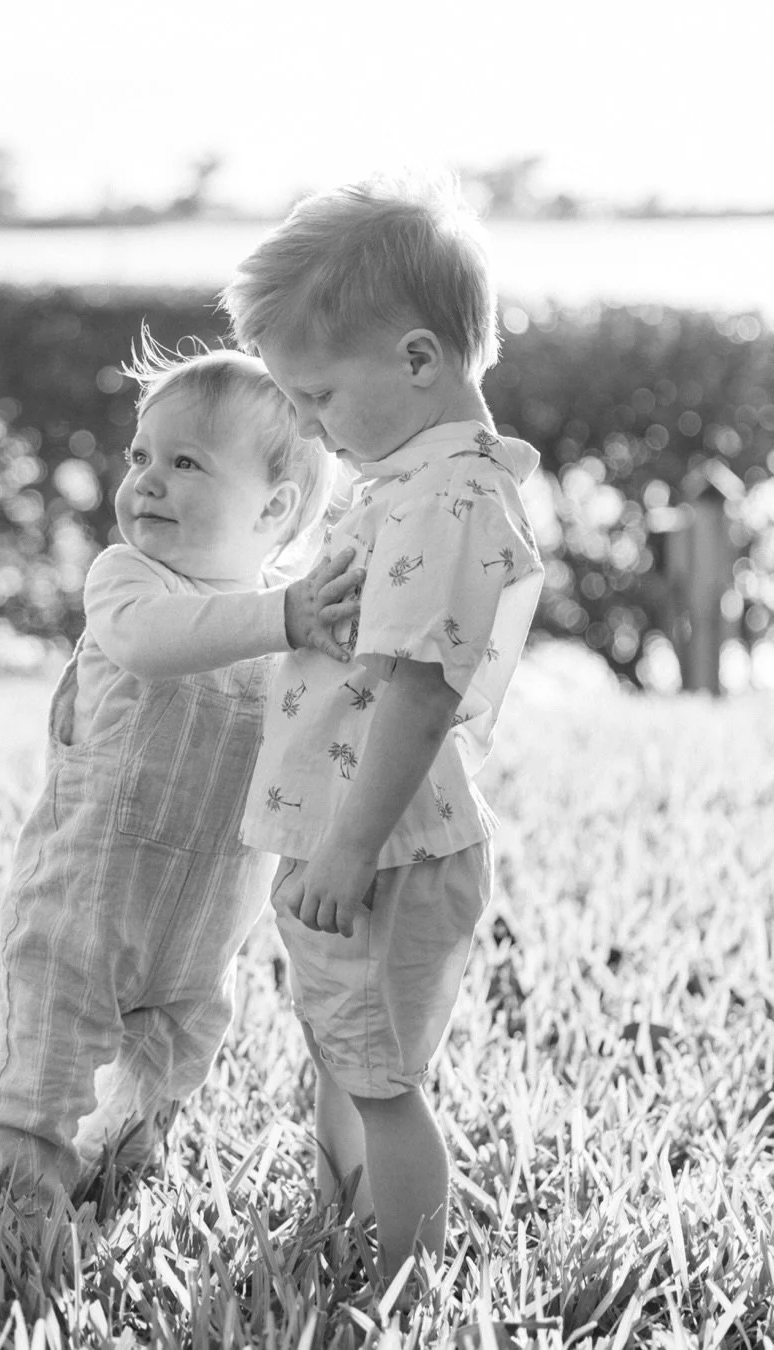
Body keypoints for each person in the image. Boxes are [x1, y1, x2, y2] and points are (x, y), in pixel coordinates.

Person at [220, 175, 545, 1278]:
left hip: (384, 844)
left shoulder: (449, 498)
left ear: (416, 360)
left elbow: (420, 689)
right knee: (340, 1047)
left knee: (381, 1077)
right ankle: (338, 1225)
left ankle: (400, 1269)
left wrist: (350, 847)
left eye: (315, 399)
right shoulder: (416, 480)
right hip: (352, 836)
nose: (309, 428)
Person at [0, 339, 363, 1214]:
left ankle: (114, 1172)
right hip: (86, 896)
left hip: (208, 921)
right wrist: (284, 618)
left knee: (170, 1062)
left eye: (186, 462)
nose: (146, 480)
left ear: (276, 508)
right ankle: (19, 1207)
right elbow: (155, 646)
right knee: (46, 1053)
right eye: (140, 456)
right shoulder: (129, 580)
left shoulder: (291, 621)